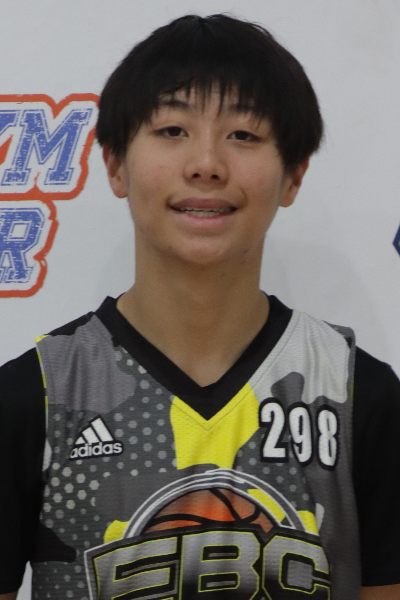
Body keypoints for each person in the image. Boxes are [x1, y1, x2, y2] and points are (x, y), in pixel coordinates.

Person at [1, 13, 400, 600]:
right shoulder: (34, 397)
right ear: (114, 164)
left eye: (244, 135)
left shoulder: (357, 394)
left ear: (293, 176)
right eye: (172, 130)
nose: (206, 163)